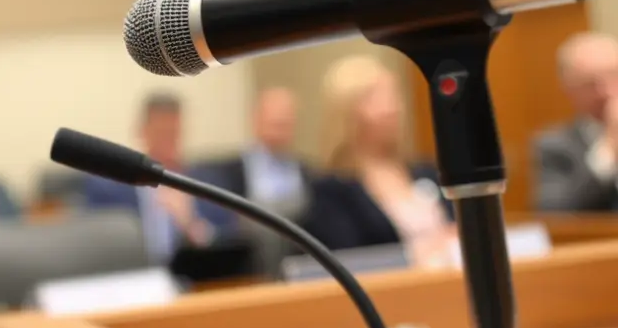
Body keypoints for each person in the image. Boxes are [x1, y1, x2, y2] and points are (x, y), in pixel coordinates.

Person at [307, 55, 455, 267]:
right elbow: (350, 261)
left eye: (394, 95)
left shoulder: (426, 171)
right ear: (347, 110)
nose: (392, 107)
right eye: (375, 97)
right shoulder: (331, 191)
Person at [83, 93, 235, 265]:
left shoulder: (208, 184)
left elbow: (230, 248)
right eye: (160, 133)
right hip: (136, 279)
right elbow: (98, 248)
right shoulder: (108, 188)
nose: (168, 142)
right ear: (142, 132)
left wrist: (190, 222)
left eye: (173, 133)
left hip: (197, 277)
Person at [199, 87, 312, 277]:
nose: (279, 129)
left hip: (299, 268)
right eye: (274, 122)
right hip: (248, 271)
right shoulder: (227, 172)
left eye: (285, 123)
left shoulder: (308, 172)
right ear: (256, 120)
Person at [534, 32, 618, 212]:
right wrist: (608, 149)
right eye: (590, 83)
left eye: (614, 75)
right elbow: (554, 213)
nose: (606, 91)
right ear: (569, 90)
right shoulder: (554, 144)